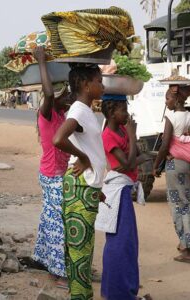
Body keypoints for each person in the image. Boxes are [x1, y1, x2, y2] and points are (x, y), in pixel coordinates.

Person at [53, 64, 106, 300]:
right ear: (86, 85)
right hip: (79, 186)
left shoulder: (86, 110)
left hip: (85, 187)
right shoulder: (79, 110)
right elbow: (58, 139)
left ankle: (82, 296)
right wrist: (83, 158)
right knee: (79, 251)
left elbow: (91, 148)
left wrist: (97, 187)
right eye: (99, 80)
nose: (102, 85)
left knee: (82, 250)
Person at [96, 94, 152, 300]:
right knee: (120, 244)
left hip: (123, 190)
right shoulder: (108, 135)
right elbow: (129, 163)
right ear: (111, 112)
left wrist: (133, 144)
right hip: (117, 192)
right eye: (123, 110)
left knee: (127, 243)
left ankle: (118, 291)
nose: (126, 114)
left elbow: (133, 155)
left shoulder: (119, 130)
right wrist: (132, 134)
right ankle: (119, 294)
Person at [27, 46, 71, 286]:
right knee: (57, 224)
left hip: (58, 175)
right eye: (65, 95)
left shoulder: (64, 116)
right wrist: (42, 61)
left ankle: (47, 262)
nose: (68, 98)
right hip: (51, 176)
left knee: (50, 220)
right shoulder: (47, 115)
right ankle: (58, 273)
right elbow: (49, 93)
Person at [153, 85, 190, 263]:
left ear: (175, 100)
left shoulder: (171, 116)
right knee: (187, 203)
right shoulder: (189, 115)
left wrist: (156, 164)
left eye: (167, 99)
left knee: (177, 205)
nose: (166, 102)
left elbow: (165, 143)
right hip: (188, 164)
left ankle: (185, 247)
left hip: (175, 165)